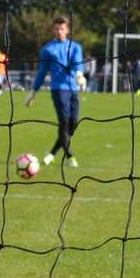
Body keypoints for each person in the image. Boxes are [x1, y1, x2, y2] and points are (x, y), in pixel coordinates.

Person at [25, 15, 85, 168]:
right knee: (64, 123)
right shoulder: (48, 50)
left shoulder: (75, 47)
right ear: (53, 30)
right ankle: (70, 156)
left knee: (73, 124)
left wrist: (79, 74)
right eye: (57, 28)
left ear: (67, 30)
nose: (59, 31)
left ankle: (51, 154)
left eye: (62, 28)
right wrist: (33, 92)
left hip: (73, 89)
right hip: (58, 89)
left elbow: (77, 62)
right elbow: (42, 72)